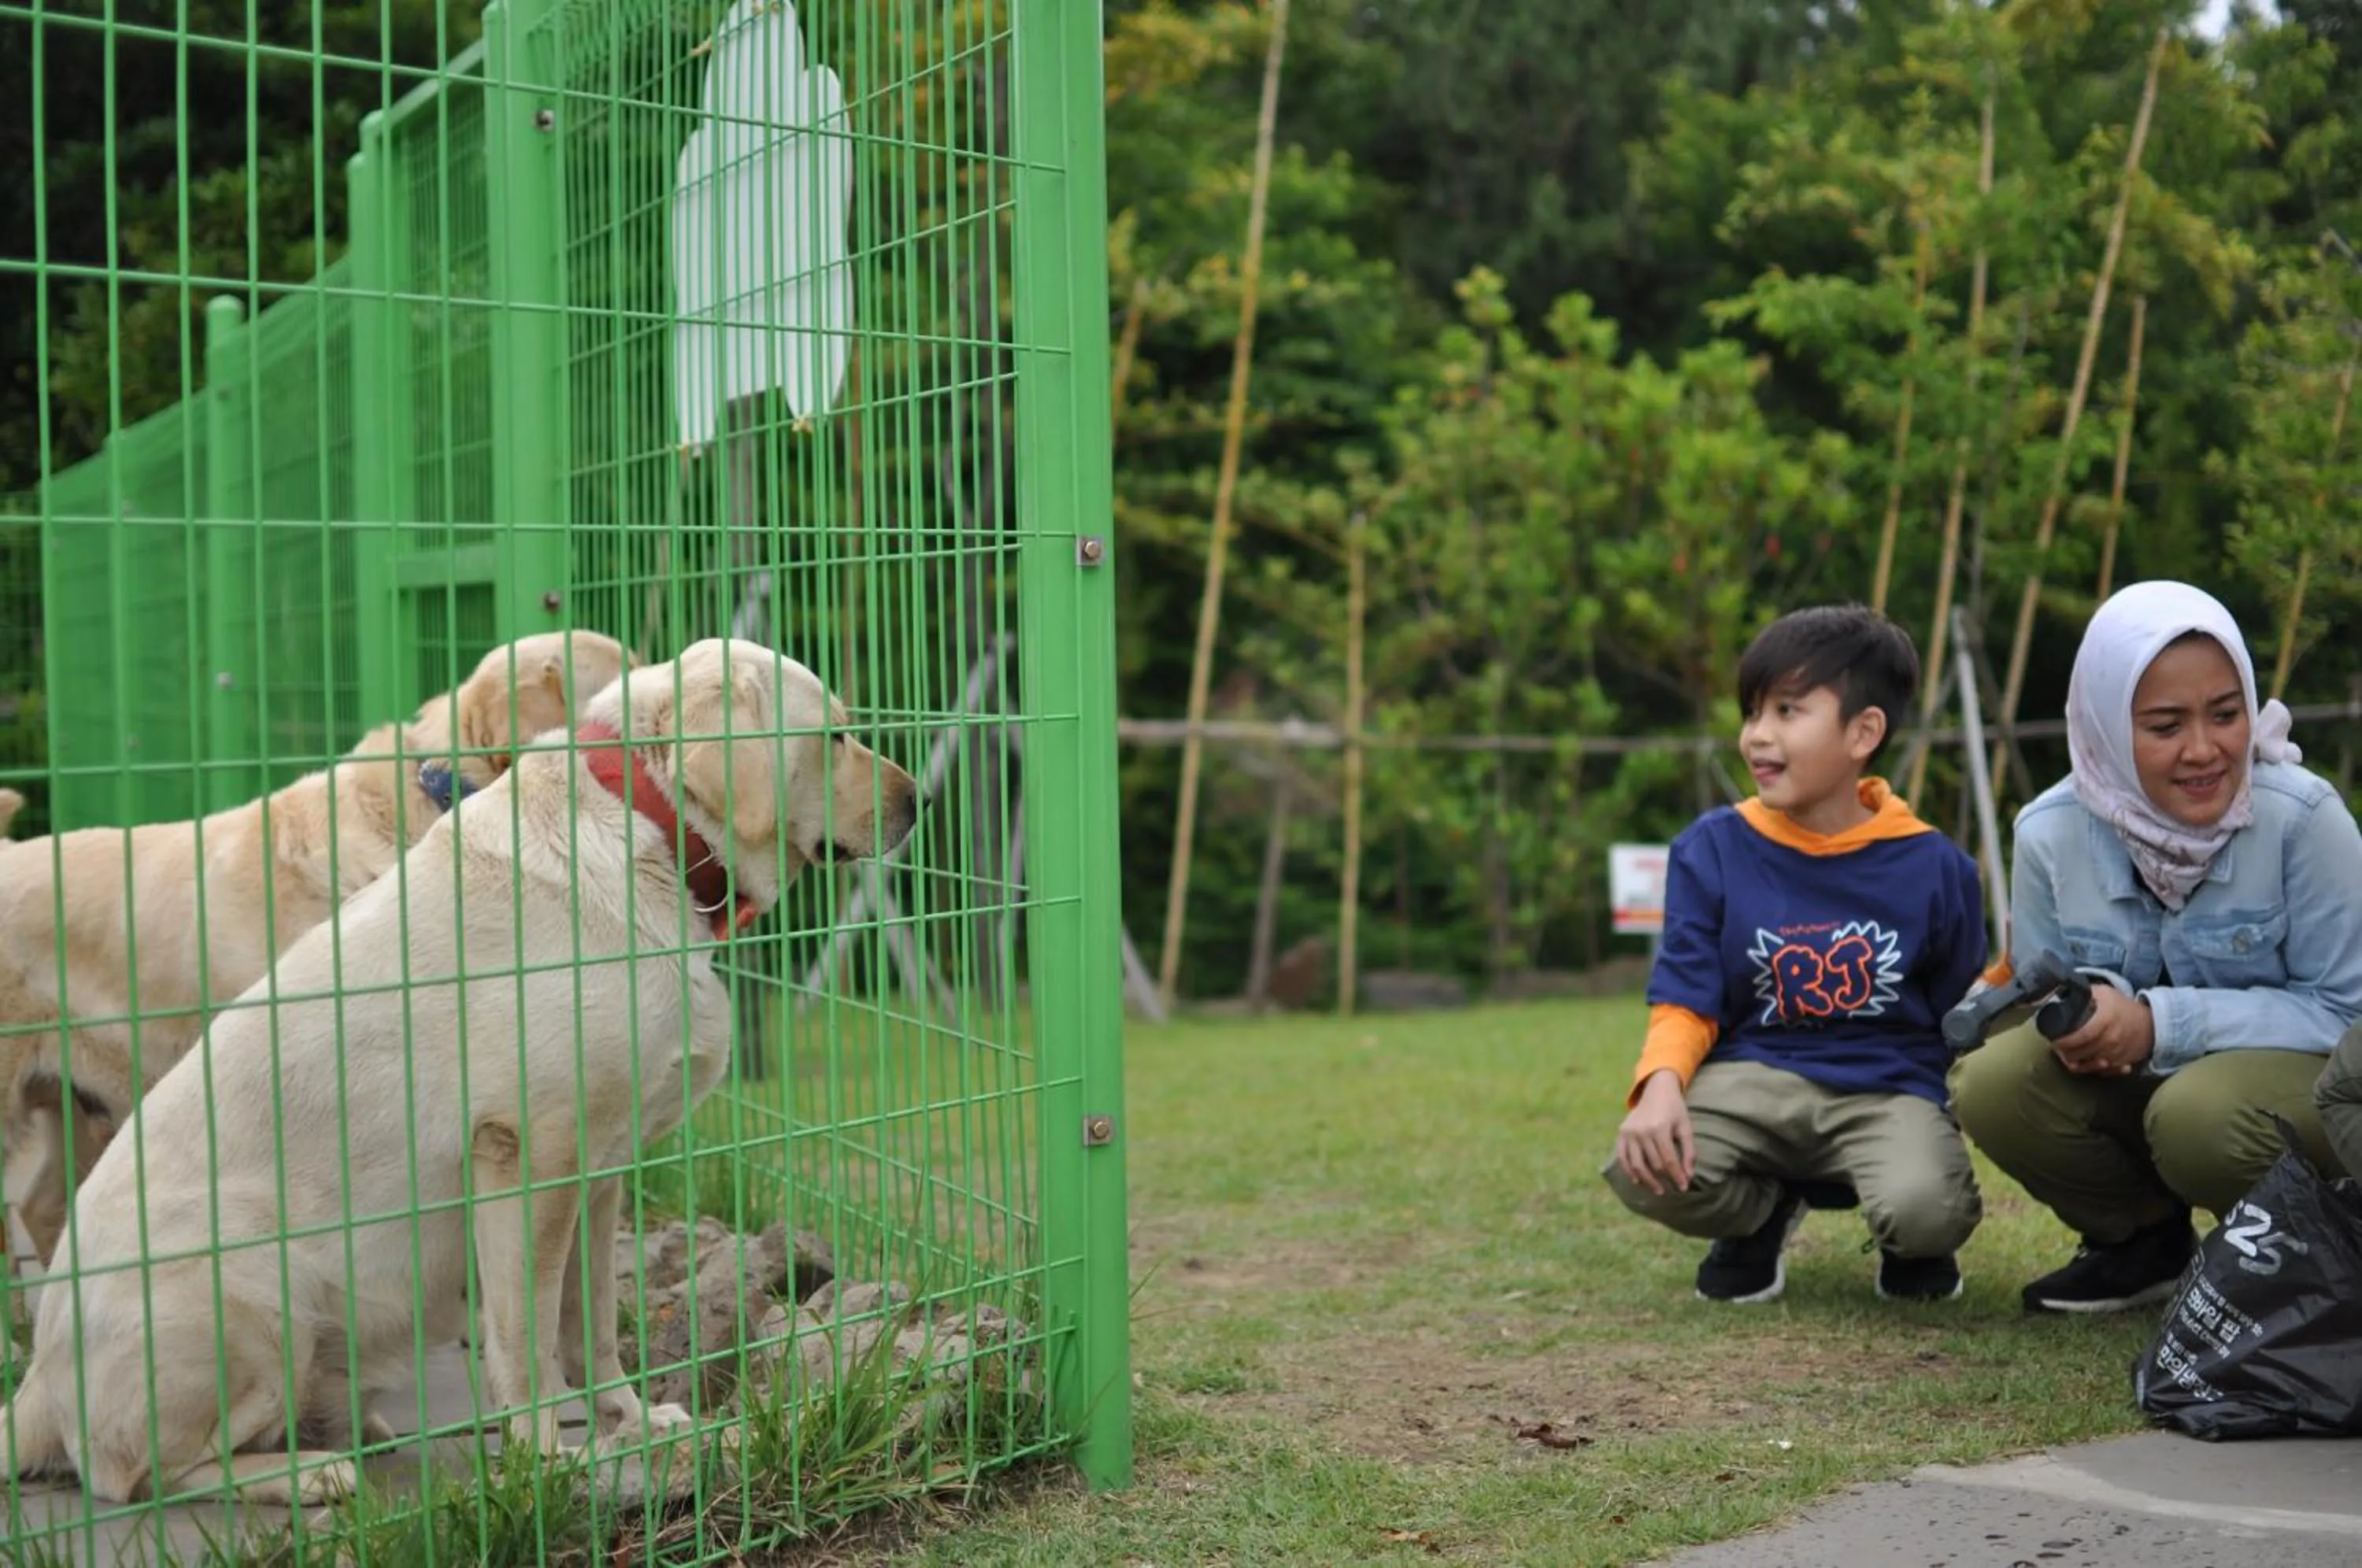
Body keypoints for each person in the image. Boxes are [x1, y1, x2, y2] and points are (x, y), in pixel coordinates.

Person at [1950, 580, 2362, 1316]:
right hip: (2160, 1091)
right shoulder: (2048, 832)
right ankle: (2141, 1245)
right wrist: (2083, 1023)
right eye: (2165, 725)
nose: (2205, 750)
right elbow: (2048, 990)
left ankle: (2313, 1254)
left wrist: (2156, 1024)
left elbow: (2346, 1015)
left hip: (2317, 1092)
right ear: (2107, 727)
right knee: (1993, 1079)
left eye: (2226, 715)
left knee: (2195, 1113)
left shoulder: (2304, 821)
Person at [1606, 604, 1988, 1304]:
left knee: (1926, 1209)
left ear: (1863, 732)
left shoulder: (1936, 866)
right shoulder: (1712, 848)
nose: (1758, 736)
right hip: (1754, 1080)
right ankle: (1761, 1215)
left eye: (1788, 711)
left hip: (1885, 1086)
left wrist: (1934, 1131)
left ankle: (1909, 1234)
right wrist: (1657, 1086)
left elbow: (1958, 1014)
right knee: (1642, 1166)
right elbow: (1686, 994)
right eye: (1753, 713)